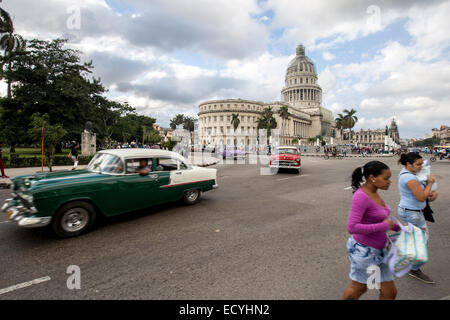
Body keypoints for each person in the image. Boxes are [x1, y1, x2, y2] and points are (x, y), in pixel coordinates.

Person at [343, 161, 401, 300]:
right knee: (358, 289)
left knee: (390, 292)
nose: (389, 182)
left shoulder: (374, 192)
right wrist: (384, 226)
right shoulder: (361, 196)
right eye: (386, 178)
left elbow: (381, 218)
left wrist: (401, 229)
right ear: (372, 178)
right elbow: (352, 227)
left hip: (380, 251)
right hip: (365, 251)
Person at [397, 152, 438, 284]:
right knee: (422, 241)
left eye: (421, 163)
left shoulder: (410, 175)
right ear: (409, 164)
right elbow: (420, 197)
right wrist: (430, 183)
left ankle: (402, 250)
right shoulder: (409, 178)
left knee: (415, 238)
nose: (421, 166)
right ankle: (414, 268)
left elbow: (422, 195)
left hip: (411, 210)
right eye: (418, 164)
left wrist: (431, 194)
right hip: (412, 213)